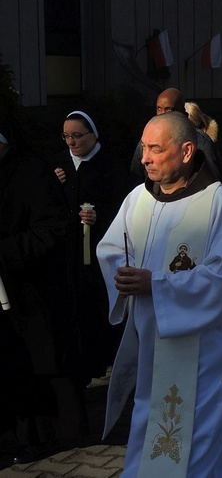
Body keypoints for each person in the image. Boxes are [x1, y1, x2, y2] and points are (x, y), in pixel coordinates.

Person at [97, 112, 222, 476]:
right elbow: (111, 248)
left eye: (155, 149)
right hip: (152, 338)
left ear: (185, 151)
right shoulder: (138, 199)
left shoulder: (218, 203)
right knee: (152, 420)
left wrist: (158, 285)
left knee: (199, 433)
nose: (145, 158)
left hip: (200, 347)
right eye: (143, 148)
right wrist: (122, 273)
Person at [1, 111, 86, 465]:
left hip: (30, 292)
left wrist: (5, 252)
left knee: (35, 365)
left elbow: (52, 232)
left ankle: (39, 437)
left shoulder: (31, 172)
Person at [53, 111, 128, 385]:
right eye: (66, 136)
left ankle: (98, 360)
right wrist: (53, 183)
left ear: (93, 135)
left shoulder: (110, 166)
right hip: (67, 251)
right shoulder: (59, 165)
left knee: (94, 307)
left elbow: (124, 207)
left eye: (77, 136)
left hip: (97, 253)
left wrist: (100, 217)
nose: (71, 143)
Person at [130, 88, 222, 183]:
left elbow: (214, 179)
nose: (162, 114)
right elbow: (136, 174)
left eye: (169, 109)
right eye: (159, 109)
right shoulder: (147, 139)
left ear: (184, 113)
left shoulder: (201, 141)